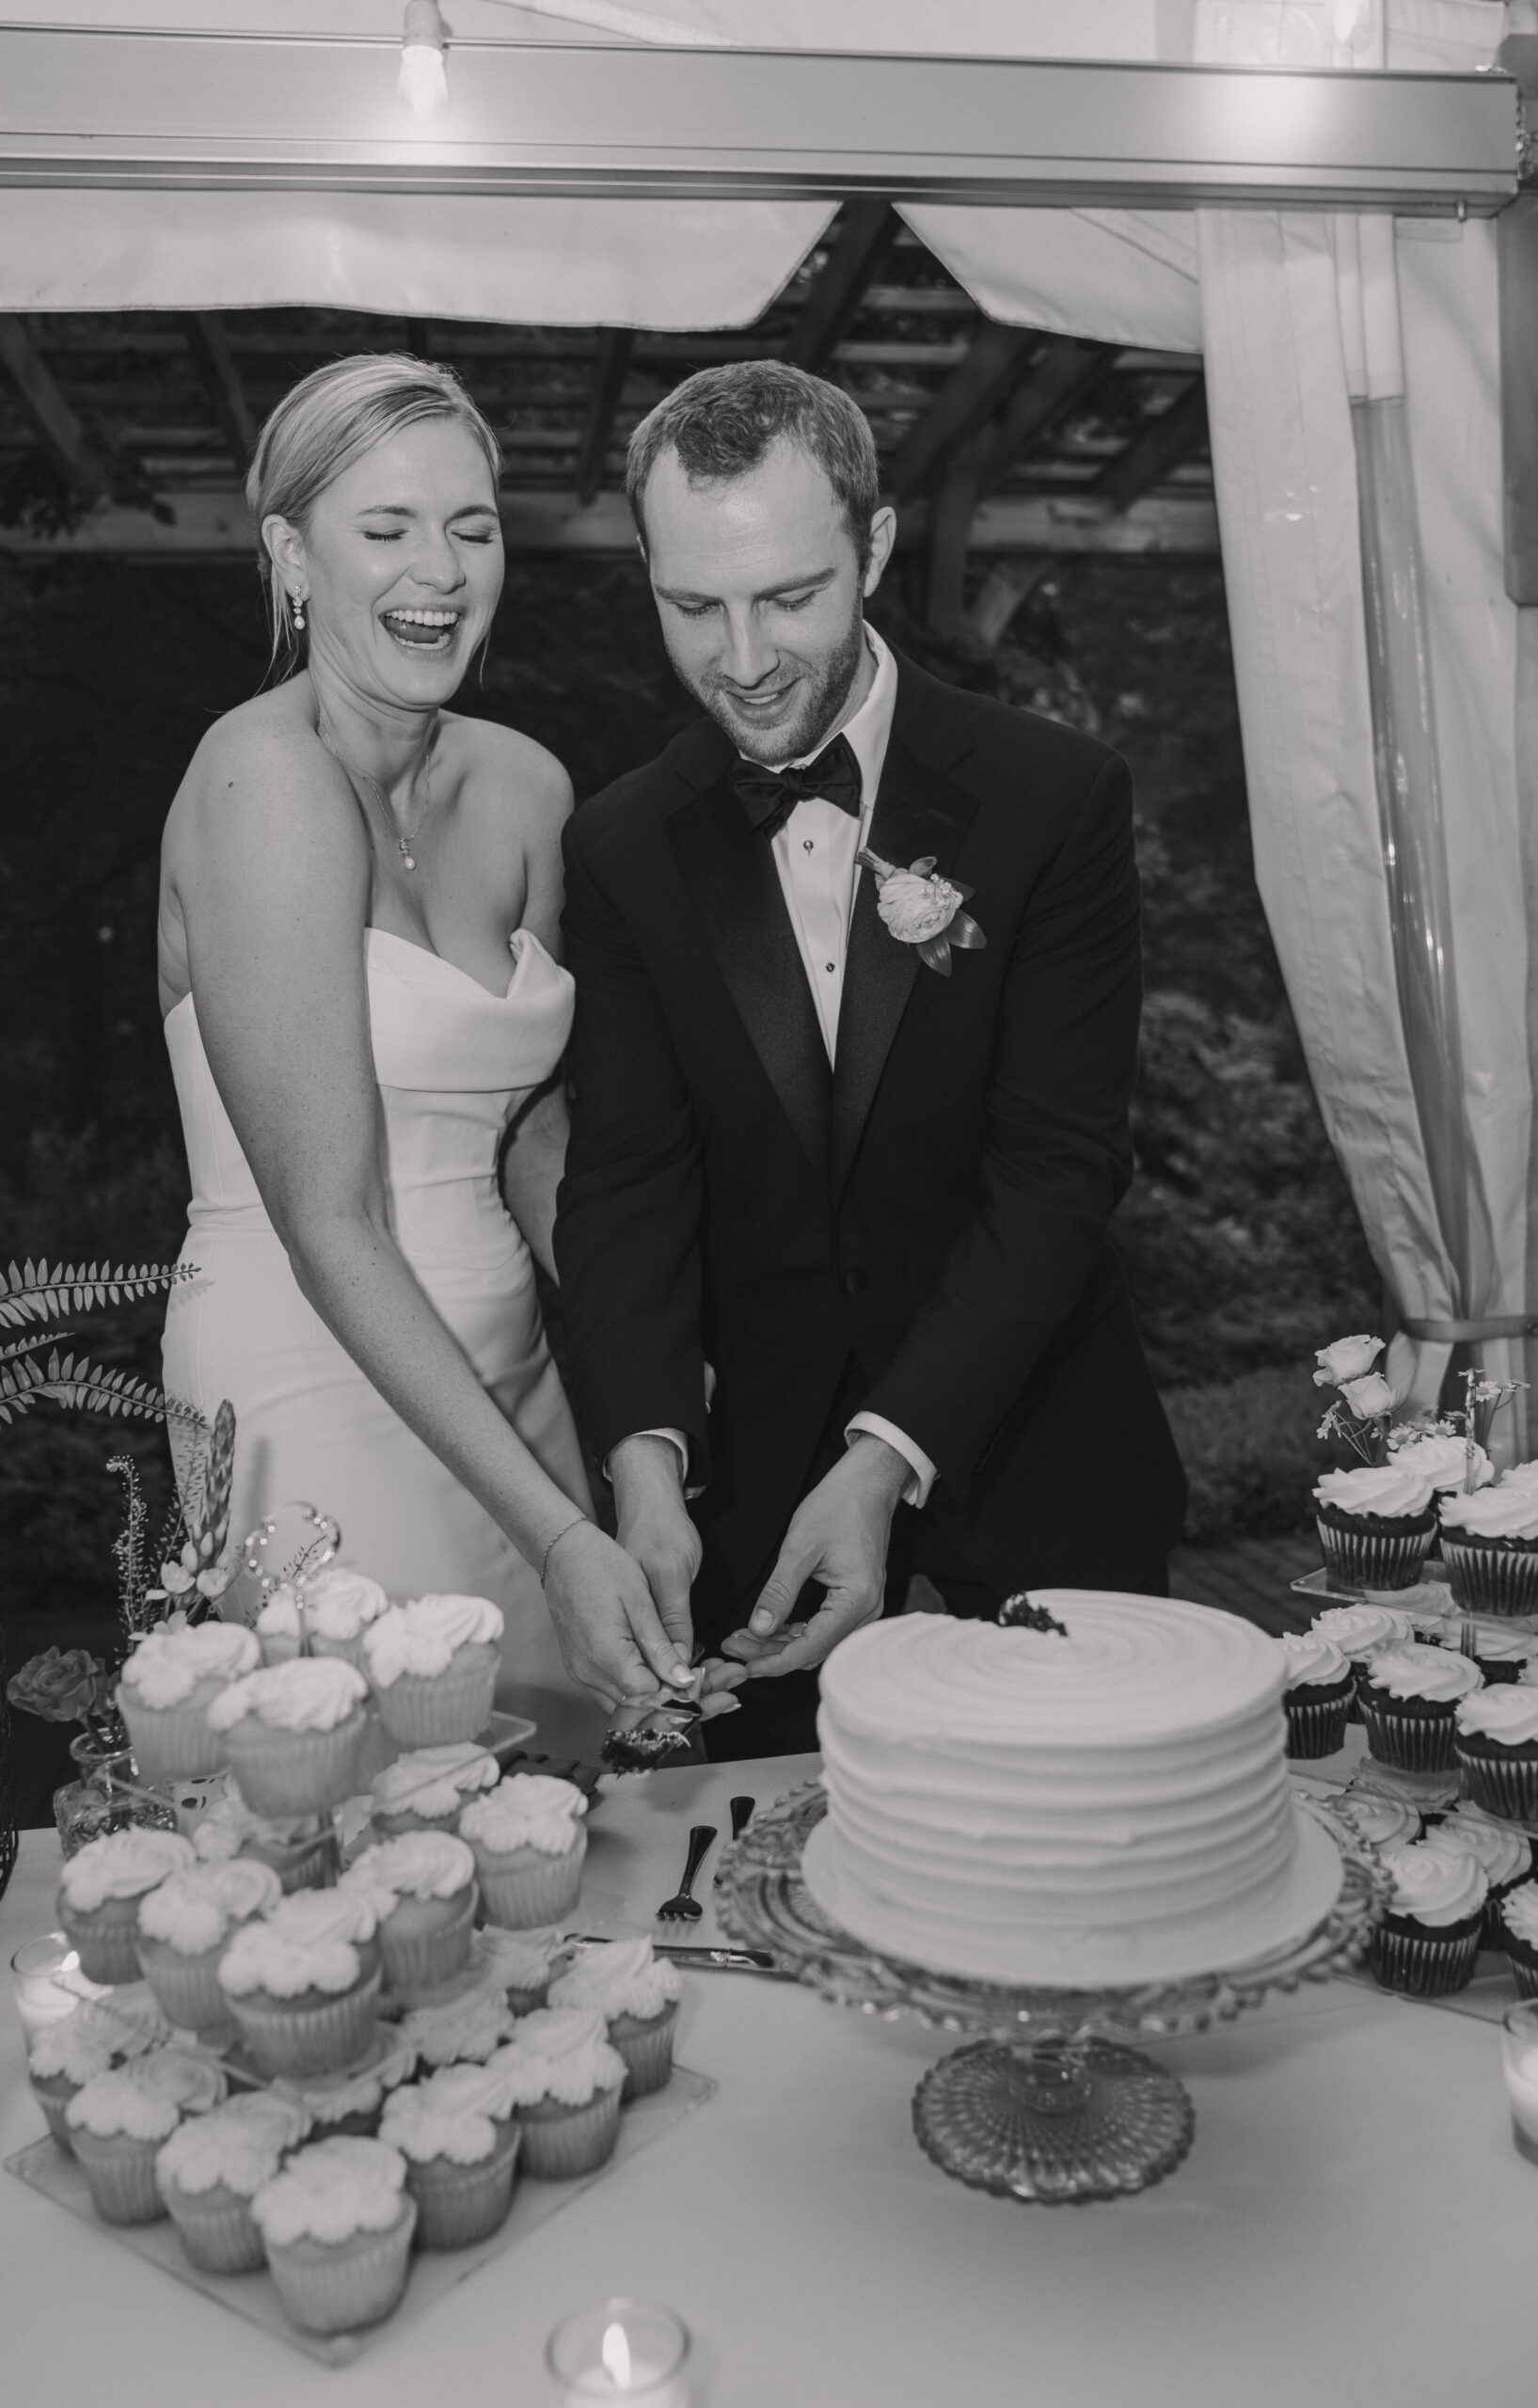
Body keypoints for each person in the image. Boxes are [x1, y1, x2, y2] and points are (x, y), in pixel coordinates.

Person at [554, 361, 1188, 1756]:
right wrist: (645, 1465)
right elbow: (624, 1185)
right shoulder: (620, 846)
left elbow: (1057, 1174)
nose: (741, 656)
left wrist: (885, 1456)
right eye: (690, 604)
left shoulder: (1052, 797)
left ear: (877, 550)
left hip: (1035, 1462)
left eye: (790, 595)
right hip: (751, 1523)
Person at [157, 353, 698, 1757]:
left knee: (558, 1817)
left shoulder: (524, 787)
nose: (441, 569)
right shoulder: (257, 781)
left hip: (511, 1370)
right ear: (292, 555)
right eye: (385, 528)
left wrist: (659, 1383)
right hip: (307, 1373)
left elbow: (530, 1137)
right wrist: (563, 1530)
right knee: (372, 1818)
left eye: (471, 525)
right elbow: (328, 1224)